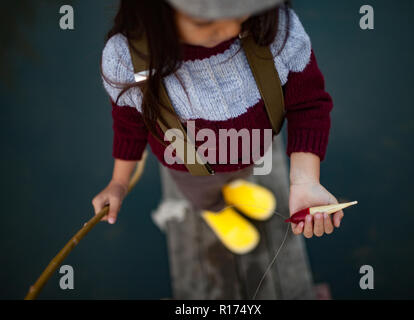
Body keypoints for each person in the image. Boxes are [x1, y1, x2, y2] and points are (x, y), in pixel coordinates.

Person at [92, 0, 345, 254]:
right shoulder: (128, 61)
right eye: (205, 21)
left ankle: (235, 188)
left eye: (239, 11)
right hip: (188, 169)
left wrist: (305, 180)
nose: (230, 28)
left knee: (243, 172)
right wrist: (118, 182)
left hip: (251, 152)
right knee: (204, 194)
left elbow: (308, 104)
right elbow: (129, 127)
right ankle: (214, 210)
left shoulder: (275, 28)